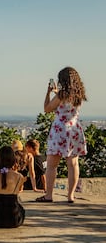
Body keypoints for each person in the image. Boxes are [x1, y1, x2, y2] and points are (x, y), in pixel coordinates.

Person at [36, 66, 87, 203]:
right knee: (73, 164)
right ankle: (70, 196)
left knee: (52, 164)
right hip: (74, 129)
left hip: (60, 130)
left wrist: (48, 93)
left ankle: (49, 195)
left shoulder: (61, 95)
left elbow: (47, 109)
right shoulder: (78, 94)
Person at [0, 146, 26, 228]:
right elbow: (19, 191)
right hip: (13, 219)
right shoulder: (19, 177)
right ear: (13, 160)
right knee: (21, 208)